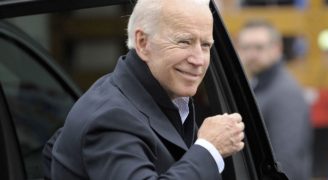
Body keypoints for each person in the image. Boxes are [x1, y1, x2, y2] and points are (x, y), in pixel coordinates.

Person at [44, 0, 246, 179]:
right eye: (184, 42)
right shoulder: (111, 116)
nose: (199, 60)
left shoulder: (162, 94)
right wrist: (209, 149)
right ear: (142, 43)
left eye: (205, 45)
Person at [235, 20, 313, 180]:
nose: (252, 54)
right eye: (245, 47)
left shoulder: (284, 94)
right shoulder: (261, 84)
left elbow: (287, 161)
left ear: (277, 49)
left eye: (259, 47)